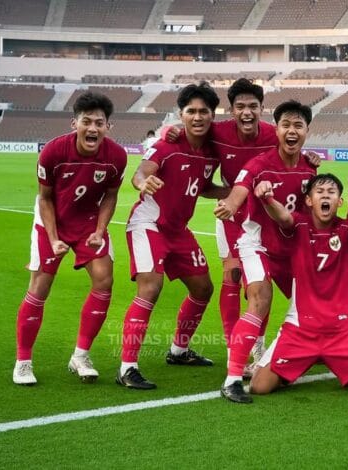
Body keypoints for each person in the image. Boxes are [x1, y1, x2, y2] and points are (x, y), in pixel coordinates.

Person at [163, 79, 321, 375]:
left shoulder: (273, 134)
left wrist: (310, 156)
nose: (247, 112)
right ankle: (231, 349)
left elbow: (294, 146)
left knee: (258, 285)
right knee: (233, 276)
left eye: (253, 106)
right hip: (234, 216)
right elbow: (189, 131)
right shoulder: (218, 132)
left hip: (269, 217)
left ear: (262, 110)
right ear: (231, 110)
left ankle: (259, 347)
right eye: (240, 107)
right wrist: (168, 130)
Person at [117, 82, 228, 389]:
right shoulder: (166, 145)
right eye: (190, 111)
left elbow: (203, 186)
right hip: (148, 224)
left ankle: (179, 350)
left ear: (212, 115)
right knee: (151, 287)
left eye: (203, 111)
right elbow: (141, 172)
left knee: (203, 288)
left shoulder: (211, 153)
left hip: (178, 231)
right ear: (181, 115)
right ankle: (127, 367)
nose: (197, 116)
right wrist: (142, 183)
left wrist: (233, 192)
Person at [12, 92, 127, 385]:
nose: (92, 128)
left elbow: (110, 196)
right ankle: (23, 361)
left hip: (88, 222)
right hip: (52, 221)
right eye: (86, 121)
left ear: (108, 126)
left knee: (104, 279)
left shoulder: (117, 156)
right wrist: (52, 238)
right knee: (40, 286)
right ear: (74, 122)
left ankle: (81, 355)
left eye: (99, 123)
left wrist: (100, 231)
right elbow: (45, 198)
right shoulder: (53, 152)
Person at [249, 173, 348, 400]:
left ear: (339, 202)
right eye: (319, 192)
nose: (325, 196)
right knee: (259, 386)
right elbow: (283, 217)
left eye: (331, 193)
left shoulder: (347, 230)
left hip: (343, 330)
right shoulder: (298, 225)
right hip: (300, 330)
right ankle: (307, 359)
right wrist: (267, 198)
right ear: (309, 201)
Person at [214, 100, 318, 403]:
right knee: (259, 298)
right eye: (286, 124)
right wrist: (231, 204)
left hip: (291, 248)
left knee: (309, 309)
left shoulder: (309, 169)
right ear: (277, 130)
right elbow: (240, 188)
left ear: (307, 132)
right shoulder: (260, 164)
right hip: (256, 242)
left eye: (298, 125)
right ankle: (233, 378)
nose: (291, 130)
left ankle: (274, 360)